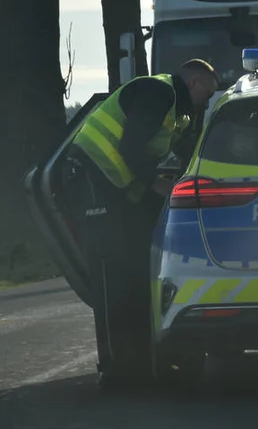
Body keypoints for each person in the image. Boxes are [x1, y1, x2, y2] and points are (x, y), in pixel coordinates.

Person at [62, 59, 219, 389]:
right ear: (192, 82)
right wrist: (155, 185)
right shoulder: (158, 93)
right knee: (109, 274)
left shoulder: (179, 111)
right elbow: (130, 147)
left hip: (113, 186)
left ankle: (137, 362)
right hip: (91, 179)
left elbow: (178, 150)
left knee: (130, 269)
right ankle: (115, 369)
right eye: (208, 91)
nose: (208, 99)